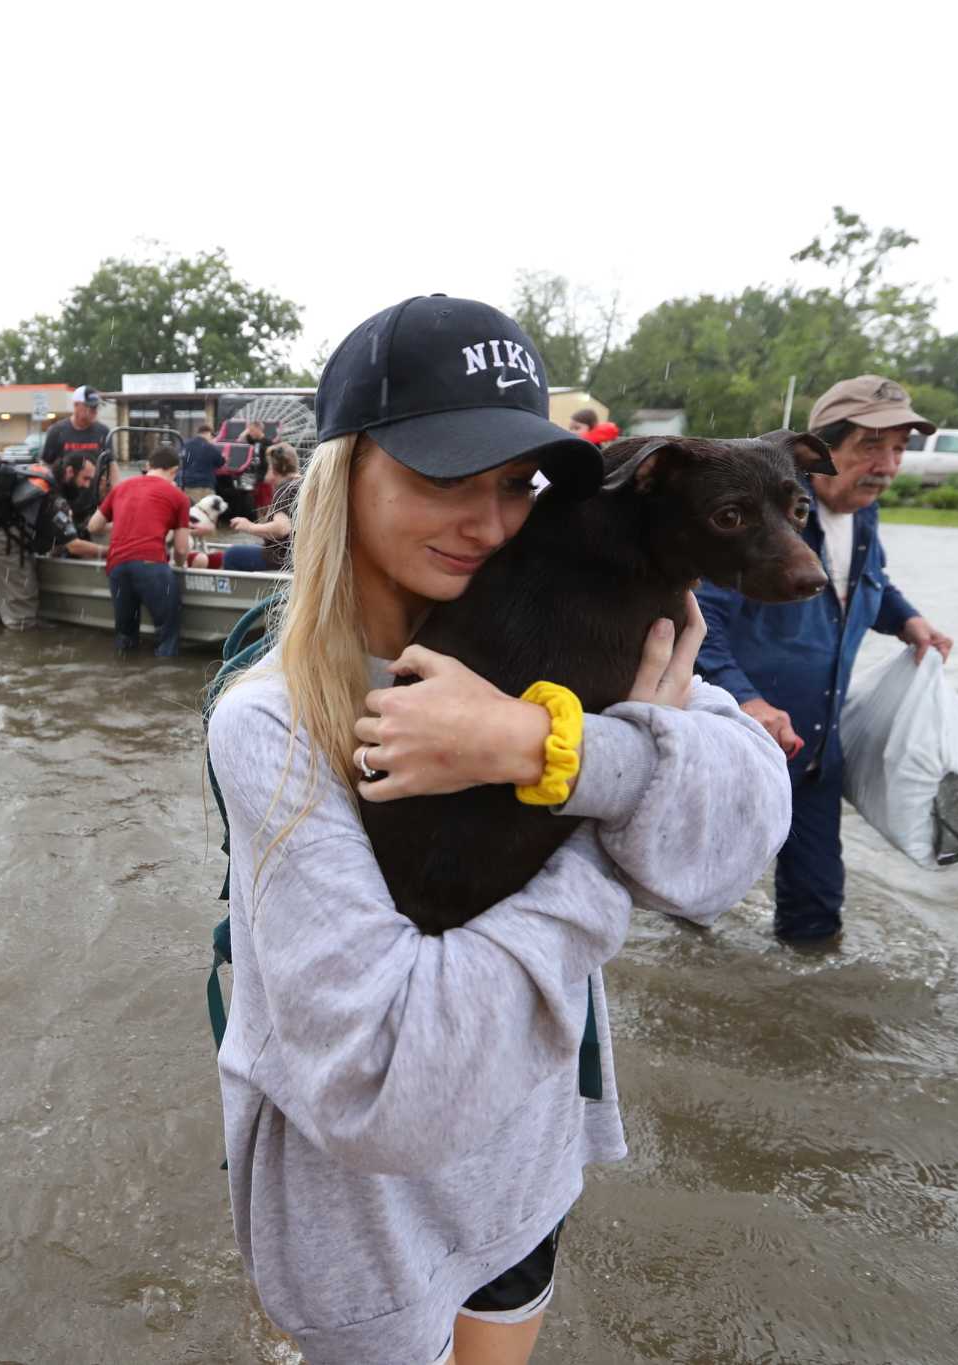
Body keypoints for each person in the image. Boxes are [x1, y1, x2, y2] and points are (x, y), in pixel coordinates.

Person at [206, 295, 791, 1365]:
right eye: (441, 481)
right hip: (364, 1223)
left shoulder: (585, 629)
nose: (487, 523)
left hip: (528, 1158)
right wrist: (612, 843)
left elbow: (741, 835)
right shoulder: (277, 721)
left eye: (515, 484)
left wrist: (544, 751)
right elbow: (385, 1094)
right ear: (346, 473)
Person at [695, 374, 955, 943]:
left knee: (816, 913)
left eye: (899, 449)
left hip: (814, 748)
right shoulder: (759, 517)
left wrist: (910, 623)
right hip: (739, 744)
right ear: (822, 451)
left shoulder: (863, 516)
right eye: (870, 446)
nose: (887, 465)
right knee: (697, 900)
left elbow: (870, 584)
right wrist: (747, 700)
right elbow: (700, 617)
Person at [0, 455, 105, 630]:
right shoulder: (54, 498)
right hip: (9, 548)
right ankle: (22, 652)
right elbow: (74, 546)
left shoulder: (39, 476)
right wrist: (111, 550)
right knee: (22, 621)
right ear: (70, 472)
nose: (87, 485)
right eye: (85, 478)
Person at [87, 444, 191, 657]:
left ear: (148, 465)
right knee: (167, 635)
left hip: (117, 566)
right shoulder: (178, 497)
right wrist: (180, 567)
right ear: (174, 471)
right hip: (152, 566)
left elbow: (93, 526)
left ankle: (124, 671)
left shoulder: (121, 488)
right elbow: (181, 548)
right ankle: (165, 681)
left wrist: (121, 522)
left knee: (125, 636)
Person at [217, 442, 299, 571]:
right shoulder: (302, 484)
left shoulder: (285, 489)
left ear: (274, 468)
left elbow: (282, 528)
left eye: (267, 464)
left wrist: (249, 526)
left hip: (281, 558)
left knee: (231, 555)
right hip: (298, 556)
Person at [41, 384, 112, 521]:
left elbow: (111, 465)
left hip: (93, 504)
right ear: (76, 405)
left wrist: (115, 496)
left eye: (96, 407)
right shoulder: (57, 431)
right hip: (63, 503)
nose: (94, 411)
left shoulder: (103, 432)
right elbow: (46, 466)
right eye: (90, 407)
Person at [178, 421, 224, 503]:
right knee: (206, 512)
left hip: (186, 485)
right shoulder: (210, 447)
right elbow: (220, 462)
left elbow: (181, 461)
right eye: (212, 435)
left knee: (190, 511)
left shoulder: (186, 445)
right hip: (204, 486)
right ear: (208, 433)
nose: (212, 438)